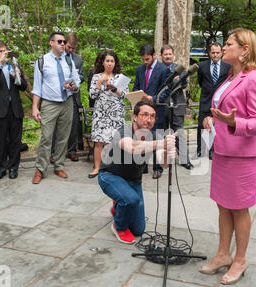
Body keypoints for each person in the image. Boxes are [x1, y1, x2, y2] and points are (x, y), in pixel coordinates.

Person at [199, 29, 256, 285]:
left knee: (239, 208)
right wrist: (212, 119)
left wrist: (233, 122)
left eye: (229, 44)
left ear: (245, 50)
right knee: (222, 204)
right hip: (222, 152)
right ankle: (222, 254)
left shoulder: (255, 79)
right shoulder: (231, 77)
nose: (224, 47)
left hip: (242, 157)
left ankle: (240, 259)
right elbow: (222, 112)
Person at [98, 99, 176, 244]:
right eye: (144, 115)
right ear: (134, 116)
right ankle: (118, 226)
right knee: (130, 200)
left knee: (139, 229)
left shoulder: (154, 136)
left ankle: (119, 205)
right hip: (110, 176)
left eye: (152, 116)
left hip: (133, 180)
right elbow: (132, 147)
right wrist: (161, 143)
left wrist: (168, 152)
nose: (149, 119)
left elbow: (163, 164)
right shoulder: (124, 131)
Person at [31, 32, 81, 184]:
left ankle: (59, 165)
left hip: (67, 102)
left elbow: (77, 82)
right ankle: (40, 169)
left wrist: (73, 86)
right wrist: (35, 107)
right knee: (46, 137)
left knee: (63, 137)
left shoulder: (69, 61)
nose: (62, 44)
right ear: (51, 43)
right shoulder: (42, 61)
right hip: (49, 104)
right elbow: (37, 87)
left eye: (63, 41)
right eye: (59, 41)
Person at [0, 40, 27, 180]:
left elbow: (23, 87)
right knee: (0, 141)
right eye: (0, 51)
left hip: (15, 109)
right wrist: (0, 64)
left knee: (15, 141)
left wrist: (17, 76)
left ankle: (13, 167)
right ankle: (0, 168)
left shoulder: (13, 65)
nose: (3, 54)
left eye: (5, 51)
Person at [88, 50, 128, 178]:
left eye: (112, 61)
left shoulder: (120, 77)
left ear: (115, 63)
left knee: (115, 142)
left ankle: (114, 168)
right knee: (99, 142)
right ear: (103, 62)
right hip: (101, 114)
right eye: (107, 61)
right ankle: (97, 168)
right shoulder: (96, 76)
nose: (110, 63)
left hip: (116, 114)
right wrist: (100, 82)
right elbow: (92, 95)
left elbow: (125, 95)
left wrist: (115, 89)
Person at [133, 44, 171, 179]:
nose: (145, 62)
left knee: (158, 137)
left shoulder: (163, 70)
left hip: (158, 110)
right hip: (142, 110)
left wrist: (153, 98)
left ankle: (157, 168)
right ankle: (141, 166)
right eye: (143, 59)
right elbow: (136, 86)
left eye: (147, 59)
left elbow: (167, 91)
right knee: (142, 137)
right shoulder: (140, 69)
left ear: (154, 56)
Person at [50, 32, 85, 162]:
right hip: (58, 96)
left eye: (73, 48)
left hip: (74, 96)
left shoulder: (78, 59)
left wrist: (76, 80)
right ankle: (52, 153)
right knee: (55, 126)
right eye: (69, 47)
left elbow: (82, 76)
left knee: (74, 125)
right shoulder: (58, 56)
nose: (70, 50)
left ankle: (72, 150)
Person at [160, 44, 193, 170]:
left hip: (177, 104)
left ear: (173, 55)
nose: (168, 56)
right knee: (161, 132)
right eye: (165, 54)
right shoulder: (158, 69)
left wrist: (180, 80)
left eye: (170, 54)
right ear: (162, 56)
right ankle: (162, 161)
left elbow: (184, 85)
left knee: (179, 132)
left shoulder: (180, 68)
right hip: (162, 105)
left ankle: (184, 160)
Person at [197, 42, 231, 160]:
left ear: (221, 53)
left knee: (215, 126)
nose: (215, 55)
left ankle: (212, 150)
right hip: (205, 100)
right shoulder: (202, 66)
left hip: (219, 102)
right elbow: (200, 82)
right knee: (202, 125)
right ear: (209, 53)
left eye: (217, 52)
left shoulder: (227, 66)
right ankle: (200, 150)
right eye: (213, 53)